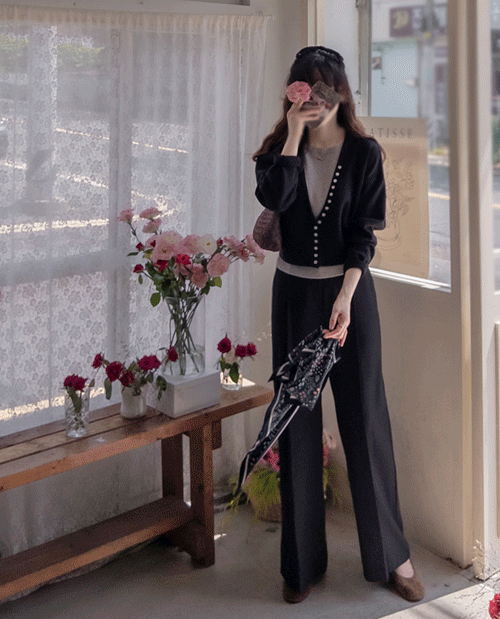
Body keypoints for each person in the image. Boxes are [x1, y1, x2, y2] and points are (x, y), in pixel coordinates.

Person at [252, 46, 425, 605]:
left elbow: (362, 236)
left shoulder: (365, 153)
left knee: (366, 420)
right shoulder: (277, 152)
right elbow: (274, 196)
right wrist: (293, 136)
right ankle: (300, 565)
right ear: (292, 93)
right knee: (295, 424)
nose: (316, 98)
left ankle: (392, 558)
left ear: (341, 93)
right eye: (305, 87)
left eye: (326, 88)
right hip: (293, 296)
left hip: (350, 296)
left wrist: (347, 298)